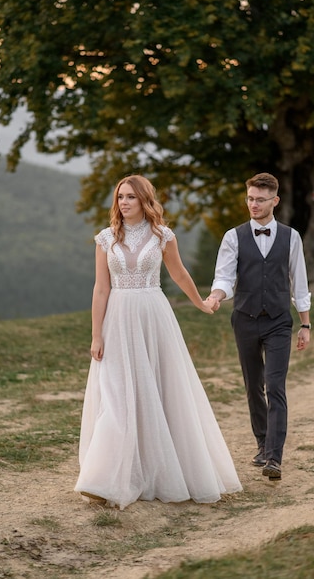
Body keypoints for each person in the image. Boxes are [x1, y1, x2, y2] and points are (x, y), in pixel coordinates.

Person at [74, 175, 242, 509]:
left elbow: (179, 274)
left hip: (154, 316)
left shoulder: (163, 236)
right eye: (120, 197)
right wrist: (96, 334)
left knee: (159, 391)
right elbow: (101, 288)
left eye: (131, 198)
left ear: (145, 201)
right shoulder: (105, 238)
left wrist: (202, 303)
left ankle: (159, 471)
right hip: (117, 319)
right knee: (116, 394)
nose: (123, 203)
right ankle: (103, 479)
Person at [205, 172, 311, 481]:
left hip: (279, 321)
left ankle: (274, 458)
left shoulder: (291, 237)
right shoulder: (233, 236)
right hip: (245, 319)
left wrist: (305, 324)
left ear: (274, 201)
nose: (253, 204)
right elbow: (224, 277)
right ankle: (263, 444)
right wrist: (216, 295)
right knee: (254, 386)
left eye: (260, 200)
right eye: (250, 199)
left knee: (275, 386)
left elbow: (299, 283)